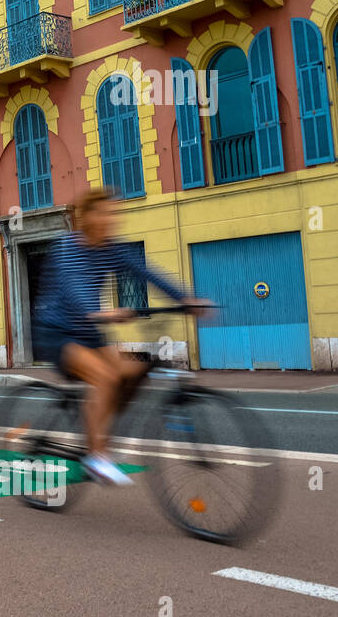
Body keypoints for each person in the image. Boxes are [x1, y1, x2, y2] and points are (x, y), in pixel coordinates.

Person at [30, 189, 211, 486]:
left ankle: (97, 424)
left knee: (136, 370)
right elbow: (74, 287)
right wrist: (102, 312)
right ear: (85, 217)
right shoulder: (67, 247)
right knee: (106, 377)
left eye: (113, 213)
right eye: (102, 213)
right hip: (57, 332)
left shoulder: (111, 249)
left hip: (90, 333)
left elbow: (146, 272)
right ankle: (97, 457)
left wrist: (186, 299)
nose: (110, 219)